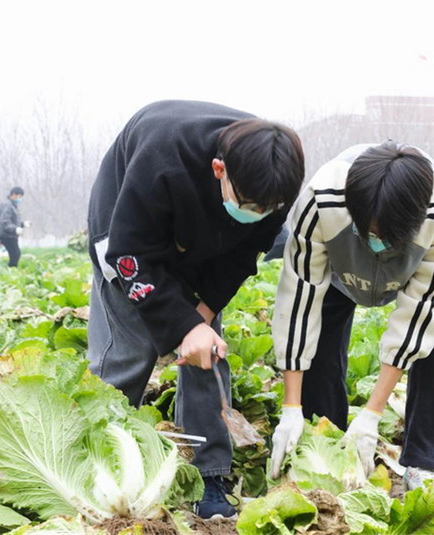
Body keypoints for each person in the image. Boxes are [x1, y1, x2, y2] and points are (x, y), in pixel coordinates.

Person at [86, 100, 305, 520]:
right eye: (249, 205)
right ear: (220, 170)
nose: (256, 216)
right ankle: (93, 455)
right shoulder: (163, 159)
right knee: (127, 352)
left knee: (208, 354)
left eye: (265, 210)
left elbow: (243, 254)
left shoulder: (275, 181)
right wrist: (182, 326)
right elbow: (130, 255)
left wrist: (201, 315)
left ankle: (211, 473)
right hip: (128, 231)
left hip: (205, 242)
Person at [269, 142, 434, 492]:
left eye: (383, 236)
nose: (374, 240)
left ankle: (425, 461)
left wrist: (373, 413)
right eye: (367, 231)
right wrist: (290, 405)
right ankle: (322, 437)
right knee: (321, 342)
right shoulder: (321, 199)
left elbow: (417, 320)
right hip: (339, 273)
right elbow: (297, 300)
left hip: (408, 274)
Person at [0, 187, 29, 267]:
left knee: (15, 254)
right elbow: (5, 221)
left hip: (11, 234)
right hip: (6, 234)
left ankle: (12, 271)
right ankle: (12, 272)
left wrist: (23, 224)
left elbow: (13, 221)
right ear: (13, 194)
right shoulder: (7, 205)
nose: (20, 199)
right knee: (15, 254)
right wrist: (15, 229)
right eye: (19, 196)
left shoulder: (13, 205)